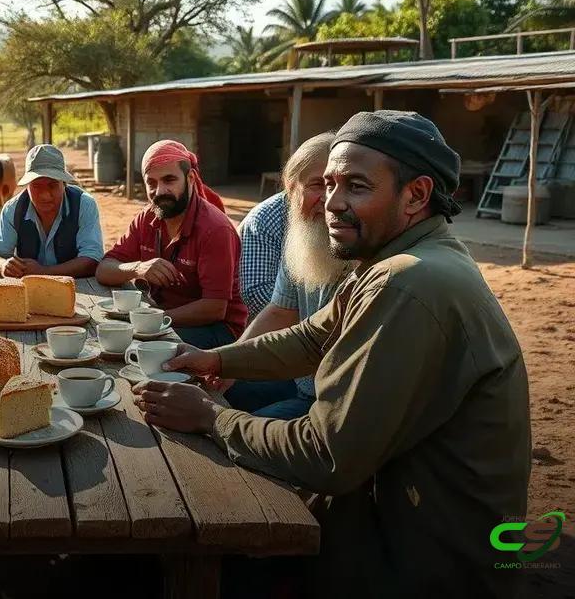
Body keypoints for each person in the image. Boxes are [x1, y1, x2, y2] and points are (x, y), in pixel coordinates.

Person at [133, 111, 530, 597]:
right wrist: (216, 360)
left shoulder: (409, 282)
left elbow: (326, 454)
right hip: (387, 510)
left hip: (427, 555)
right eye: (329, 183)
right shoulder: (393, 260)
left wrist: (212, 417)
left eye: (356, 187)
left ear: (416, 195)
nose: (333, 203)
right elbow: (310, 337)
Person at [220, 132, 350, 420]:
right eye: (318, 185)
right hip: (303, 384)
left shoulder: (357, 239)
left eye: (339, 186)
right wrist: (224, 365)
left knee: (228, 428)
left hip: (336, 402)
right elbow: (279, 311)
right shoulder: (303, 240)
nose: (331, 200)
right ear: (291, 190)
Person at [96, 139, 248, 348]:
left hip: (217, 330)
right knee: (105, 336)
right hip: (163, 317)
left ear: (190, 178)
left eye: (169, 180)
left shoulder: (215, 229)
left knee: (131, 346)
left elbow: (214, 309)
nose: (159, 191)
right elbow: (104, 269)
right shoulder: (147, 218)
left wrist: (153, 319)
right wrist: (138, 268)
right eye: (151, 183)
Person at [0, 144, 104, 278]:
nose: (45, 195)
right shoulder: (12, 209)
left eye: (52, 185)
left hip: (78, 286)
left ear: (64, 184)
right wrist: (3, 266)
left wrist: (43, 271)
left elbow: (92, 258)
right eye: (36, 186)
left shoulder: (83, 204)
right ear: (27, 186)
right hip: (29, 288)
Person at [237, 191, 285, 319]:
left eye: (330, 187)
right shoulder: (267, 218)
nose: (328, 199)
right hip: (272, 323)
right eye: (317, 185)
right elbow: (256, 295)